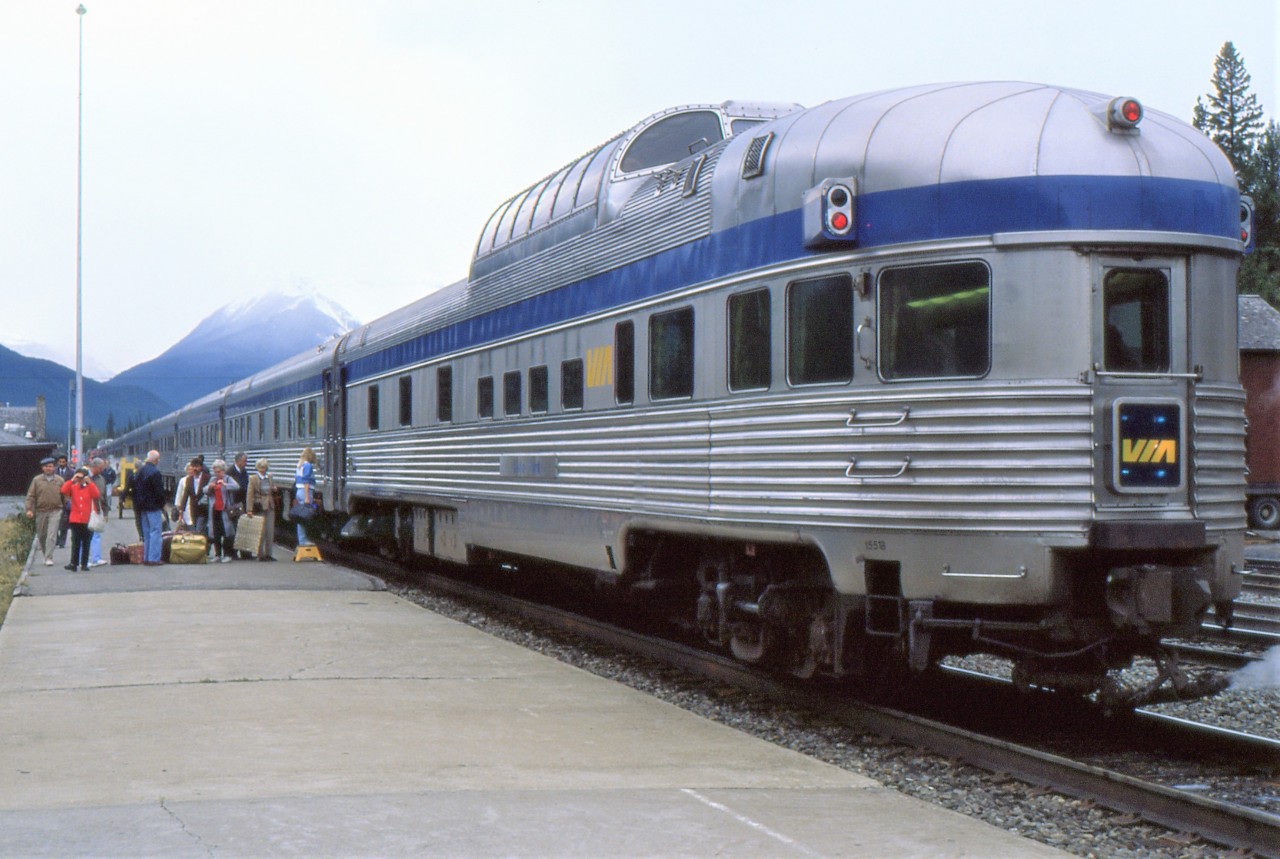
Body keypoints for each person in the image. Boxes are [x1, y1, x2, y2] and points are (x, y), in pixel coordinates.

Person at [24, 456, 64, 566]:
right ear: (42, 468)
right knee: (42, 535)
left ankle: (49, 558)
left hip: (55, 511)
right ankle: (45, 554)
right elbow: (31, 495)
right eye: (46, 466)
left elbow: (65, 496)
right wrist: (29, 509)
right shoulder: (37, 480)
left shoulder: (59, 480)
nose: (49, 468)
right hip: (41, 511)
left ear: (54, 468)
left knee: (51, 535)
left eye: (51, 466)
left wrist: (66, 509)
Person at [60, 466, 101, 572]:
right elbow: (64, 490)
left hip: (87, 519)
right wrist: (72, 480)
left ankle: (84, 563)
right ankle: (73, 563)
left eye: (81, 477)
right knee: (75, 542)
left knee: (86, 542)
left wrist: (89, 482)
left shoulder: (90, 487)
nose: (80, 479)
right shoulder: (74, 487)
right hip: (76, 519)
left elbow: (96, 494)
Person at [133, 450, 167, 566]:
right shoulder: (155, 472)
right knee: (156, 532)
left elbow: (135, 489)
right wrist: (162, 504)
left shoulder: (139, 471)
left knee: (146, 533)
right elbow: (159, 491)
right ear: (156, 460)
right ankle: (154, 558)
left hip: (142, 507)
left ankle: (146, 557)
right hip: (153, 506)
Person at [202, 459, 240, 563]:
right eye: (215, 471)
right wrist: (209, 487)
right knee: (216, 533)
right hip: (215, 511)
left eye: (219, 472)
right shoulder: (212, 480)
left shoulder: (228, 479)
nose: (217, 474)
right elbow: (204, 490)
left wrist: (225, 485)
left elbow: (237, 487)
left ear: (223, 471)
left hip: (225, 510)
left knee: (227, 533)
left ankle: (227, 554)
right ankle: (218, 554)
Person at [244, 457, 277, 561]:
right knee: (260, 531)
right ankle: (260, 554)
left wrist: (274, 488)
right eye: (260, 467)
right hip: (259, 505)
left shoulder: (270, 477)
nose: (263, 469)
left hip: (270, 505)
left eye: (264, 467)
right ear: (257, 468)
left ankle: (269, 554)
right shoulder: (253, 478)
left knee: (270, 530)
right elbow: (249, 494)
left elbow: (272, 489)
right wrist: (249, 509)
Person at [174, 457, 210, 534]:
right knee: (195, 529)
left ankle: (202, 543)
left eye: (196, 466)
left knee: (199, 528)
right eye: (193, 466)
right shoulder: (189, 479)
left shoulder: (207, 478)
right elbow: (185, 496)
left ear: (201, 467)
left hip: (204, 509)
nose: (194, 469)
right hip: (193, 509)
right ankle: (203, 543)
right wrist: (181, 511)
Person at [86, 458, 110, 568]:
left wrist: (105, 512)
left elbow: (103, 496)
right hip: (85, 510)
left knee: (96, 534)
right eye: (100, 468)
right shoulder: (84, 477)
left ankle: (96, 558)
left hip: (97, 509)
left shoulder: (101, 478)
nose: (102, 470)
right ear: (94, 467)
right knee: (84, 535)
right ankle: (84, 559)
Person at [228, 452, 252, 559]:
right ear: (238, 461)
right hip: (234, 504)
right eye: (244, 461)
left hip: (242, 503)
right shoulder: (230, 472)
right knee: (234, 528)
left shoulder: (244, 471)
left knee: (243, 528)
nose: (245, 463)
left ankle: (245, 553)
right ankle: (233, 553)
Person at [294, 446, 318, 546]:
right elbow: (306, 481)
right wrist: (308, 497)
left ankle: (302, 539)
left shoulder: (300, 465)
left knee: (301, 517)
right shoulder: (308, 465)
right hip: (305, 492)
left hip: (299, 491)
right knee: (305, 517)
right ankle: (303, 541)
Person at [54, 453, 73, 548]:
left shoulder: (71, 472)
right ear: (58, 462)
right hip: (55, 498)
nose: (62, 463)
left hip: (67, 499)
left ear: (66, 462)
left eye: (63, 462)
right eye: (60, 462)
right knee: (54, 521)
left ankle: (62, 542)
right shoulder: (54, 472)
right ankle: (56, 540)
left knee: (65, 522)